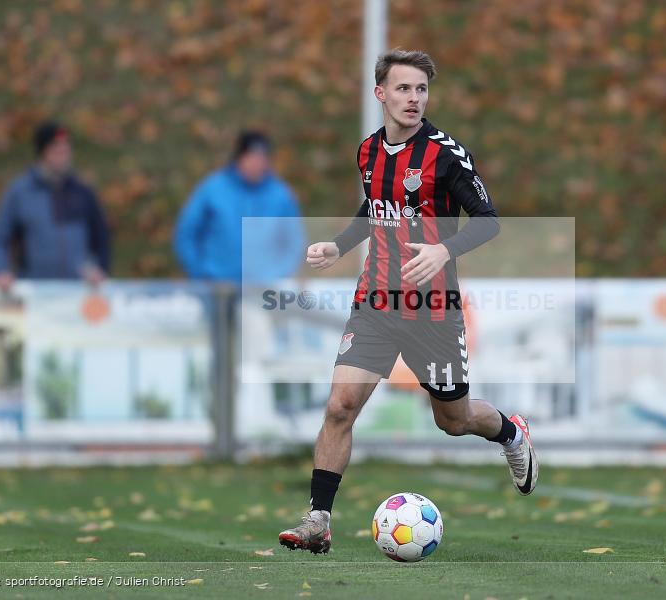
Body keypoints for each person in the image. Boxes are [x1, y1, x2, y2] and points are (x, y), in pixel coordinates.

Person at [278, 49, 538, 555]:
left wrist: (443, 249)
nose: (413, 99)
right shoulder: (368, 151)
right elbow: (373, 207)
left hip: (433, 310)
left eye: (421, 89)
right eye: (402, 88)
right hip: (375, 302)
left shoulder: (445, 155)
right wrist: (339, 244)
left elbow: (488, 220)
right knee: (340, 407)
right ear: (381, 94)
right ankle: (318, 519)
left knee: (454, 420)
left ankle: (510, 430)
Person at [0, 121, 111, 289]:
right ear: (43, 152)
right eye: (57, 150)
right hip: (34, 293)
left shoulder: (83, 192)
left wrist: (100, 269)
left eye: (66, 150)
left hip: (79, 293)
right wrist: (1, 271)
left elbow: (101, 239)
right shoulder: (20, 193)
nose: (64, 155)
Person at [174, 130, 305, 283]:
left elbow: (293, 241)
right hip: (218, 285)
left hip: (263, 288)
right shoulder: (213, 189)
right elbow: (187, 233)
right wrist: (200, 273)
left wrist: (279, 274)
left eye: (262, 158)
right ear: (239, 158)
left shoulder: (280, 195)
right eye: (251, 157)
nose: (257, 164)